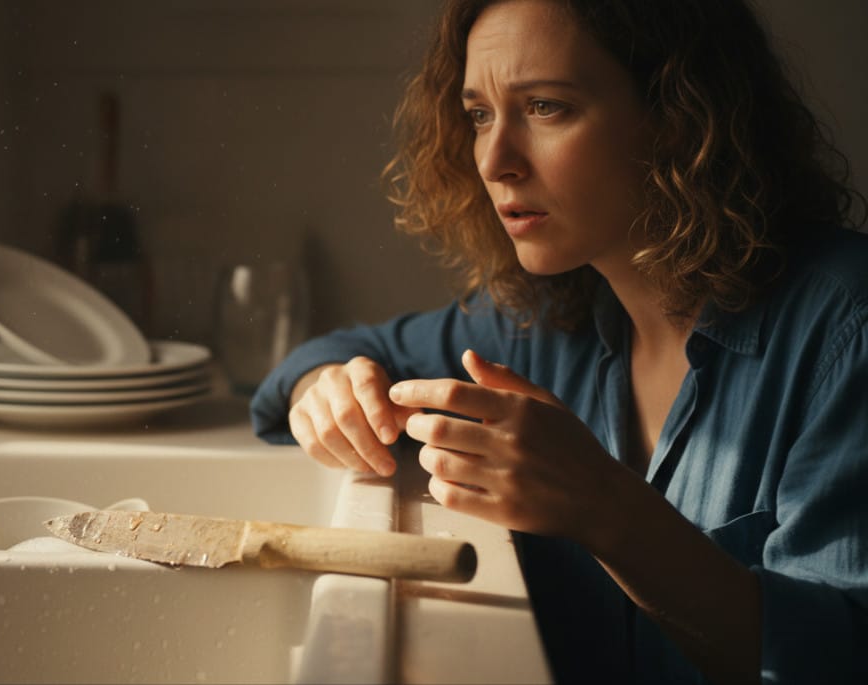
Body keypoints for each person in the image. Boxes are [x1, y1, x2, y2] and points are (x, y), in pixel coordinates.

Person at [249, 0, 868, 683]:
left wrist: (603, 506)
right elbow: (327, 359)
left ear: (680, 118)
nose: (494, 158)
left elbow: (837, 659)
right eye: (479, 113)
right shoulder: (546, 318)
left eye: (546, 106)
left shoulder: (845, 328)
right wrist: (331, 390)